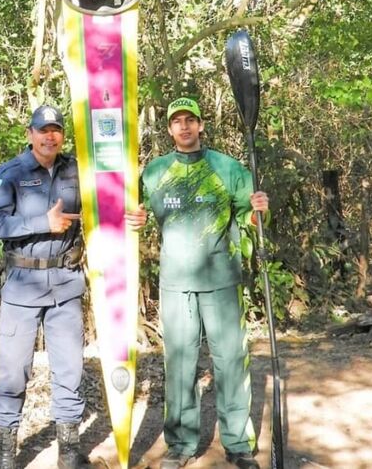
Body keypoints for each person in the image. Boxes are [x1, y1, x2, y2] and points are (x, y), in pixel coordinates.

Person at [125, 97, 269, 469]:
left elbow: (249, 218)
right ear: (170, 128)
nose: (184, 127)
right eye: (178, 122)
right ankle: (181, 444)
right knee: (180, 364)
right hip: (175, 283)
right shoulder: (153, 172)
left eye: (191, 120)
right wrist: (134, 218)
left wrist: (258, 211)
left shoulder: (228, 168)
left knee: (231, 362)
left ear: (201, 125)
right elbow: (131, 211)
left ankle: (238, 444)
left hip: (222, 279)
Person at [0, 104, 91, 469]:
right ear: (30, 134)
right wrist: (42, 221)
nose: (50, 136)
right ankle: (6, 456)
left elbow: (102, 207)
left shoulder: (77, 170)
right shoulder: (10, 173)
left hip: (66, 284)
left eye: (56, 130)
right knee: (13, 373)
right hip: (22, 288)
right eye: (42, 130)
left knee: (70, 372)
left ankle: (70, 454)